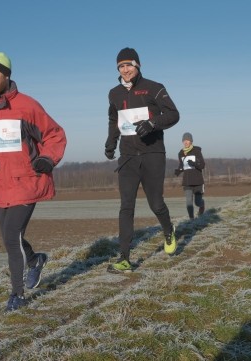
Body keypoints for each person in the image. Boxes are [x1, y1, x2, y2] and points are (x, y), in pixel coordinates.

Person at [0, 52, 67, 311]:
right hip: (0, 183)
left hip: (27, 181)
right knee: (11, 239)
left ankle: (18, 295)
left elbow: (55, 134)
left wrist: (47, 159)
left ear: (6, 75)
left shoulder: (27, 106)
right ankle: (35, 261)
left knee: (11, 238)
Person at [104, 47, 180, 273]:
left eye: (129, 65)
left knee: (156, 203)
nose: (125, 70)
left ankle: (168, 230)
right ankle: (124, 258)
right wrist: (110, 142)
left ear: (137, 66)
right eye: (121, 66)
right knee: (126, 207)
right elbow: (113, 119)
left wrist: (153, 123)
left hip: (152, 154)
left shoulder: (154, 88)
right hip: (127, 157)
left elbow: (174, 114)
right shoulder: (114, 93)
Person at [174, 132, 206, 219]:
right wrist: (179, 170)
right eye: (184, 140)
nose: (186, 142)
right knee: (188, 201)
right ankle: (191, 219)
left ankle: (202, 205)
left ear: (191, 141)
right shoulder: (181, 153)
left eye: (187, 140)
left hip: (197, 181)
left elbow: (202, 165)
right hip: (187, 181)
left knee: (197, 202)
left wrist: (194, 163)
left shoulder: (197, 151)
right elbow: (182, 165)